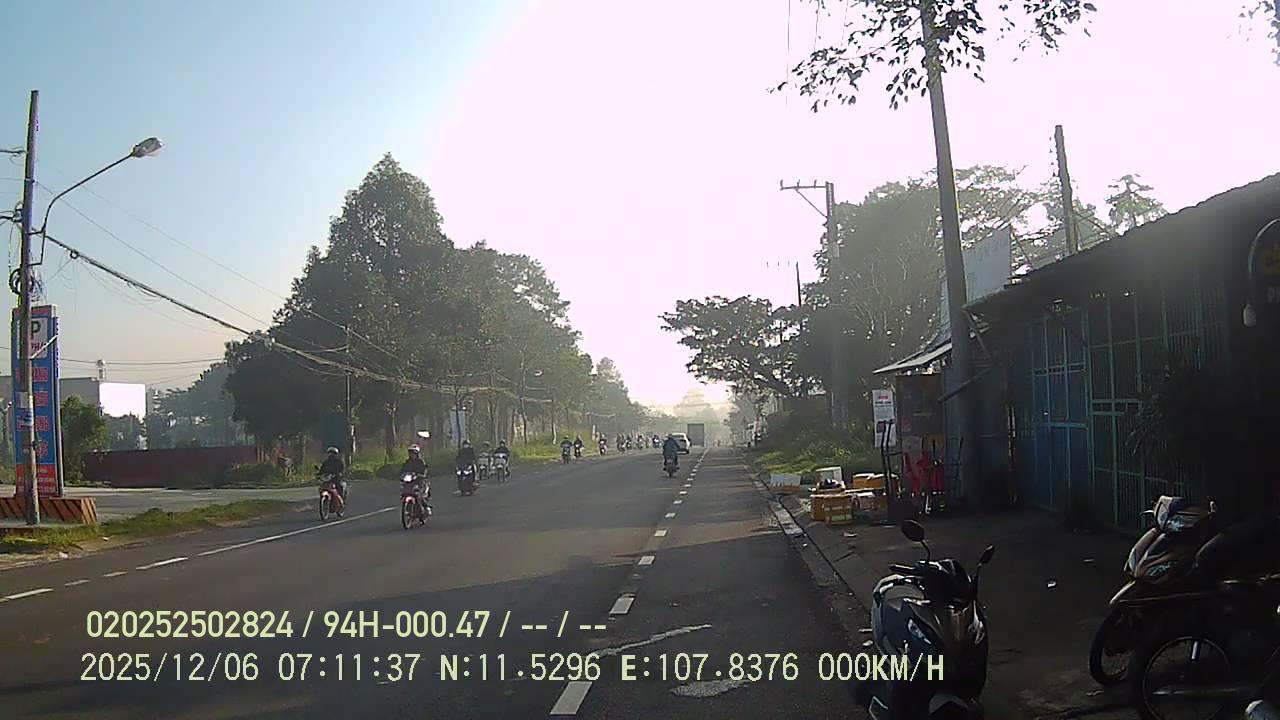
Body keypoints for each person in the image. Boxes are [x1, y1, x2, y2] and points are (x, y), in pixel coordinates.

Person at [399, 444, 431, 514]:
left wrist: (421, 475)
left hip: (419, 481)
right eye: (410, 453)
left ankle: (426, 507)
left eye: (413, 453)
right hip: (410, 481)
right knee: (404, 490)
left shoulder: (421, 462)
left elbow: (425, 470)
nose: (411, 455)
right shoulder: (407, 462)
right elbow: (402, 470)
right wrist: (401, 475)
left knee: (420, 494)